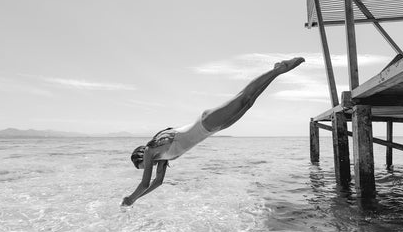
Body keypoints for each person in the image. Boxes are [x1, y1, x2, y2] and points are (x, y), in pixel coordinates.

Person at [121, 57, 305, 206]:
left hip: (206, 122)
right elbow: (157, 183)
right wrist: (138, 199)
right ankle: (276, 72)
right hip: (213, 129)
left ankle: (279, 69)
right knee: (248, 103)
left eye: (143, 166)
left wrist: (131, 199)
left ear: (140, 156)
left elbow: (145, 183)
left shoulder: (149, 151)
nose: (147, 167)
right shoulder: (162, 159)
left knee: (242, 98)